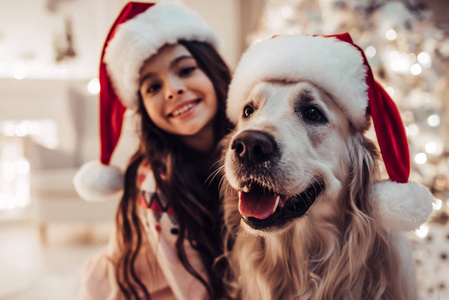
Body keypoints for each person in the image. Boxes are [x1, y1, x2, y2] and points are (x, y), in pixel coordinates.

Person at [73, 2, 232, 299]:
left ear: (213, 70)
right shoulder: (154, 183)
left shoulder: (243, 144)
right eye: (152, 87)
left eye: (185, 70)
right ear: (143, 110)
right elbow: (195, 290)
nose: (172, 90)